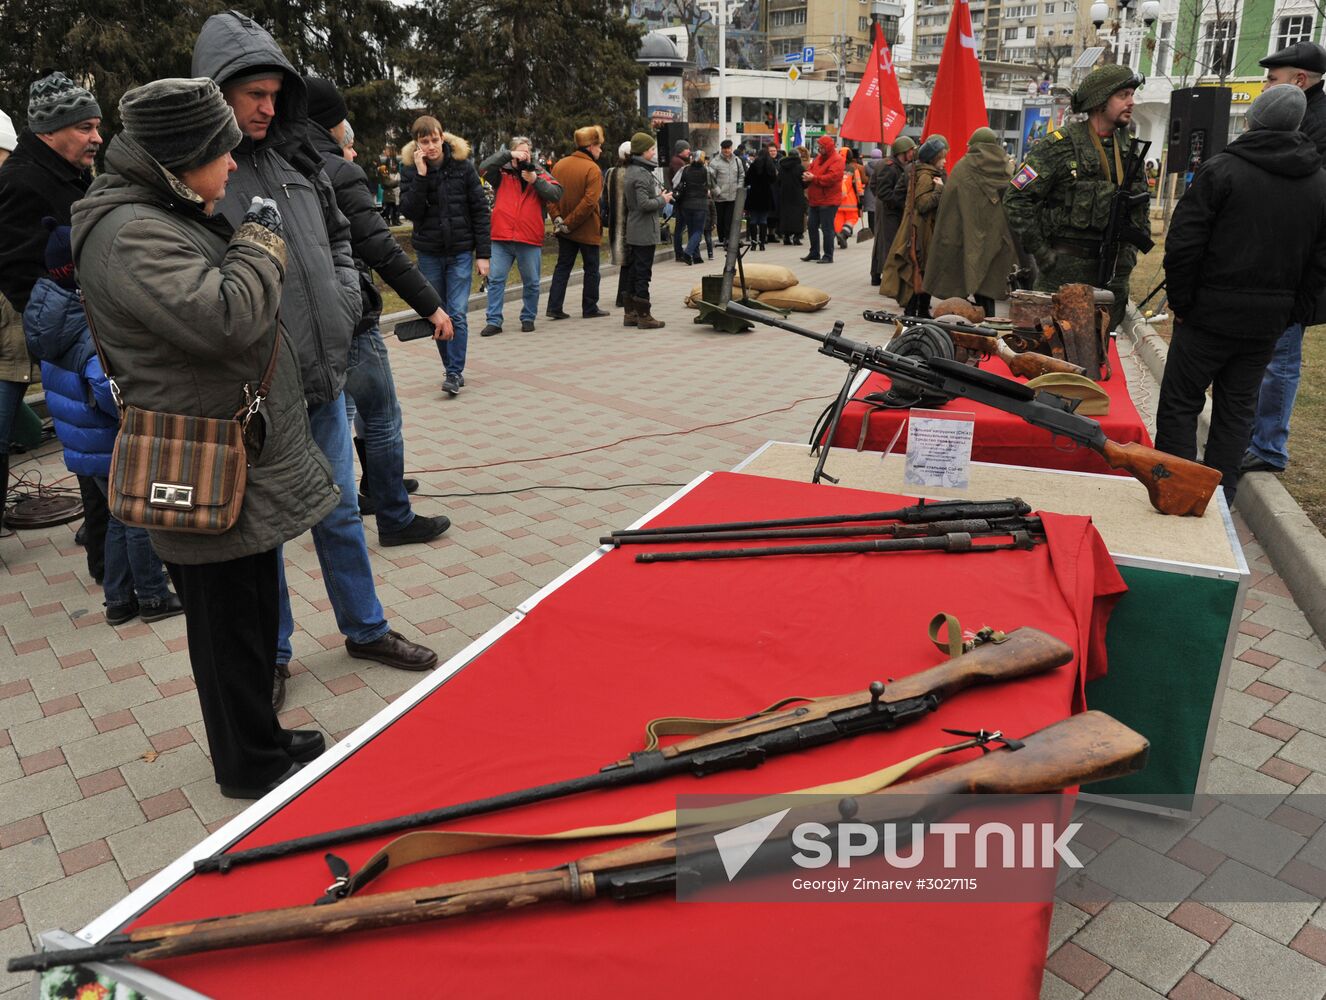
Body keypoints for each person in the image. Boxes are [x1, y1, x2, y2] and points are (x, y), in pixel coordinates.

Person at [72, 77, 338, 799]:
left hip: (224, 450)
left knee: (247, 611)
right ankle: (249, 765)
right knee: (225, 629)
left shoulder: (161, 206)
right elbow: (225, 318)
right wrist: (260, 242)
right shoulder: (131, 230)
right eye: (220, 153)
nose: (230, 167)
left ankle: (262, 737)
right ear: (182, 156)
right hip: (198, 457)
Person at [195, 11, 438, 687]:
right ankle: (273, 655)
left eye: (276, 94)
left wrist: (340, 296)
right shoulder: (204, 171)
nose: (269, 108)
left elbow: (336, 234)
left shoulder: (298, 155)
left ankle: (364, 627)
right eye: (254, 96)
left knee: (338, 508)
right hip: (256, 392)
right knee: (266, 528)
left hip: (324, 377)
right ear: (218, 93)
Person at [1155, 85, 1326, 503]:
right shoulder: (1319, 182)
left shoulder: (1223, 170)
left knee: (1180, 403)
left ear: (1254, 119)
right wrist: (1291, 312)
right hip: (1265, 323)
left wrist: (1182, 302)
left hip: (1207, 316)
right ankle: (1220, 500)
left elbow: (1184, 243)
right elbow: (1320, 264)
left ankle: (1177, 492)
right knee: (1236, 413)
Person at [302, 76, 452, 549]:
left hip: (301, 322)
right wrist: (431, 306)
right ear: (334, 123)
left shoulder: (274, 165)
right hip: (348, 318)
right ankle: (394, 516)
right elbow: (383, 250)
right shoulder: (338, 172)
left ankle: (363, 495)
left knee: (335, 416)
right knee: (381, 414)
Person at [23, 219, 183, 626]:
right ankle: (150, 597)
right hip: (110, 438)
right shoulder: (85, 324)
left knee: (116, 516)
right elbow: (105, 385)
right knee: (138, 514)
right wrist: (137, 409)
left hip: (82, 444)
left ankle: (117, 599)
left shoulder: (49, 313)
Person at [0, 73, 110, 564]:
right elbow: (23, 275)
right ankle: (113, 563)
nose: (97, 138)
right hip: (71, 337)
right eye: (86, 127)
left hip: (82, 330)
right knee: (95, 448)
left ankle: (106, 549)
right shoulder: (24, 182)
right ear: (51, 129)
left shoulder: (63, 174)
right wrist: (71, 320)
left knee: (95, 449)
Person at [1003, 64, 1150, 331]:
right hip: (1062, 277)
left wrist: (1130, 254)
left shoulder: (1129, 150)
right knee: (1054, 357)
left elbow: (1140, 205)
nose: (1132, 102)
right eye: (1123, 95)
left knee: (1101, 358)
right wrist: (1042, 253)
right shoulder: (1058, 146)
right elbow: (1016, 198)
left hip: (1112, 276)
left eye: (1132, 94)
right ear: (1099, 101)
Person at [1242, 41, 1326, 476]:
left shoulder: (1314, 125)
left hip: (1294, 266)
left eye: (1272, 79)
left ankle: (1269, 447)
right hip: (1280, 259)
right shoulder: (1304, 118)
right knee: (1269, 356)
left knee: (1282, 360)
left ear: (1299, 80)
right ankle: (1259, 438)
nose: (1265, 85)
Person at [400, 114, 491, 396]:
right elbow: (410, 211)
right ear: (417, 143)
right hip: (429, 253)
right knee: (436, 313)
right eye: (424, 141)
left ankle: (454, 372)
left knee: (458, 313)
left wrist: (483, 254)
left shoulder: (463, 166)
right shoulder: (410, 170)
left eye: (435, 140)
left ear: (443, 137)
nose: (431, 146)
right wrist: (421, 177)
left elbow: (480, 211)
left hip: (461, 252)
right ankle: (449, 366)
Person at [925, 127, 1018, 315]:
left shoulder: (963, 167)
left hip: (965, 235)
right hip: (996, 236)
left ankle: (966, 323)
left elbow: (949, 205)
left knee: (965, 276)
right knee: (988, 284)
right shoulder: (1006, 169)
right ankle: (989, 320)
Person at [478, 137, 562, 337]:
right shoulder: (501, 173)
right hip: (501, 236)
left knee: (532, 282)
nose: (524, 156)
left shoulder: (539, 172)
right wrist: (508, 155)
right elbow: (482, 167)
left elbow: (557, 193)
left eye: (527, 152)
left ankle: (528, 318)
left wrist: (535, 180)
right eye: (520, 152)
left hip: (529, 238)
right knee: (496, 280)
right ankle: (494, 320)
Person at [547, 125, 610, 320]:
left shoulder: (559, 165)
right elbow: (590, 202)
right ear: (591, 146)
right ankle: (589, 307)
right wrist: (570, 222)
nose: (600, 150)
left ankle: (554, 306)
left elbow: (549, 196)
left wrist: (558, 219)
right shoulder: (592, 168)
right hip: (586, 228)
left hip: (564, 228)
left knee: (562, 267)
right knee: (591, 269)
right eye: (599, 146)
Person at [882, 135, 947, 315]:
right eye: (942, 157)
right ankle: (918, 311)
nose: (945, 161)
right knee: (920, 269)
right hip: (922, 230)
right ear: (934, 158)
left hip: (919, 228)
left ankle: (917, 310)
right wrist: (940, 190)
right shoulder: (927, 176)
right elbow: (923, 204)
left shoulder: (920, 171)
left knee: (918, 270)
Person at [624, 131, 670, 329]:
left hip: (635, 228)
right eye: (651, 149)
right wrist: (663, 200)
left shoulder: (632, 170)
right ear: (643, 152)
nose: (654, 152)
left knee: (634, 271)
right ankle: (644, 316)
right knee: (643, 273)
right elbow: (643, 204)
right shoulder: (641, 174)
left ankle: (630, 313)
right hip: (643, 230)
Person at [870, 136, 915, 286]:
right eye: (910, 150)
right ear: (902, 151)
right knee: (888, 243)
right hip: (889, 209)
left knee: (884, 242)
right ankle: (886, 276)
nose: (912, 153)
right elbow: (882, 191)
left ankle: (877, 274)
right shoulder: (888, 166)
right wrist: (901, 203)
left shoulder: (897, 164)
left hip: (891, 208)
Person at [801, 135, 845, 263]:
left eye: (822, 147)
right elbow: (811, 168)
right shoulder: (819, 158)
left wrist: (813, 178)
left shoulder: (837, 160)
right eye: (819, 147)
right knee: (811, 225)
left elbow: (832, 178)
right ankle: (814, 252)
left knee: (827, 228)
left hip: (829, 200)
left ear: (828, 147)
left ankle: (828, 255)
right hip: (815, 199)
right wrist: (807, 174)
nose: (819, 149)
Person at [604, 140, 632, 308]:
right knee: (631, 261)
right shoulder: (632, 173)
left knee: (624, 262)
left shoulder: (610, 173)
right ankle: (625, 296)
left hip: (615, 222)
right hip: (630, 222)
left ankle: (623, 295)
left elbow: (604, 198)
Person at [672, 151, 712, 265]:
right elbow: (712, 185)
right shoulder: (706, 171)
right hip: (700, 205)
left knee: (691, 230)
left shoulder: (684, 169)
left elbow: (675, 183)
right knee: (698, 231)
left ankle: (696, 256)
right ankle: (688, 253)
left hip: (686, 204)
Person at [710, 139, 746, 245]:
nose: (727, 151)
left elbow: (741, 175)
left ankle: (728, 239)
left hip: (733, 196)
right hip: (720, 197)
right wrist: (717, 191)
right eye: (725, 149)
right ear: (721, 149)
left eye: (729, 148)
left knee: (729, 219)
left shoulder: (737, 161)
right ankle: (722, 239)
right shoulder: (715, 162)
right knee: (720, 220)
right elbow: (711, 179)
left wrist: (739, 188)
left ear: (731, 148)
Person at [745, 143, 778, 250]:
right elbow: (774, 180)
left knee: (753, 219)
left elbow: (747, 180)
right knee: (763, 220)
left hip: (754, 195)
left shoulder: (753, 166)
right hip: (766, 195)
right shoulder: (770, 166)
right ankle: (762, 243)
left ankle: (754, 243)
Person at [776, 145, 807, 245]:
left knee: (785, 215)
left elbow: (778, 181)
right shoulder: (800, 167)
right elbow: (805, 182)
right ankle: (797, 237)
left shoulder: (782, 167)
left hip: (784, 194)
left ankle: (786, 237)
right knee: (797, 216)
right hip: (797, 195)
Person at [667, 140, 692, 262]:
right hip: (681, 200)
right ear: (681, 150)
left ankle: (680, 251)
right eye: (687, 149)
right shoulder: (678, 163)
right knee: (680, 227)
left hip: (681, 199)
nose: (689, 151)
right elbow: (681, 181)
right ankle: (679, 252)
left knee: (680, 227)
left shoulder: (679, 161)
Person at [863, 148, 884, 232]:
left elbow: (864, 178)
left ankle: (871, 229)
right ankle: (879, 228)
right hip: (881, 188)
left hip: (869, 190)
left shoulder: (867, 166)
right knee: (880, 210)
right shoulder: (883, 164)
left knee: (870, 212)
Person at [379, 155, 402, 225]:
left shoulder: (386, 175)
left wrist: (395, 183)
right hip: (388, 195)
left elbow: (391, 183)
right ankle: (388, 221)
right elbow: (389, 183)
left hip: (391, 195)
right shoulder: (383, 176)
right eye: (385, 169)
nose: (386, 170)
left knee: (394, 208)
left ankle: (394, 221)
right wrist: (397, 182)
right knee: (388, 209)